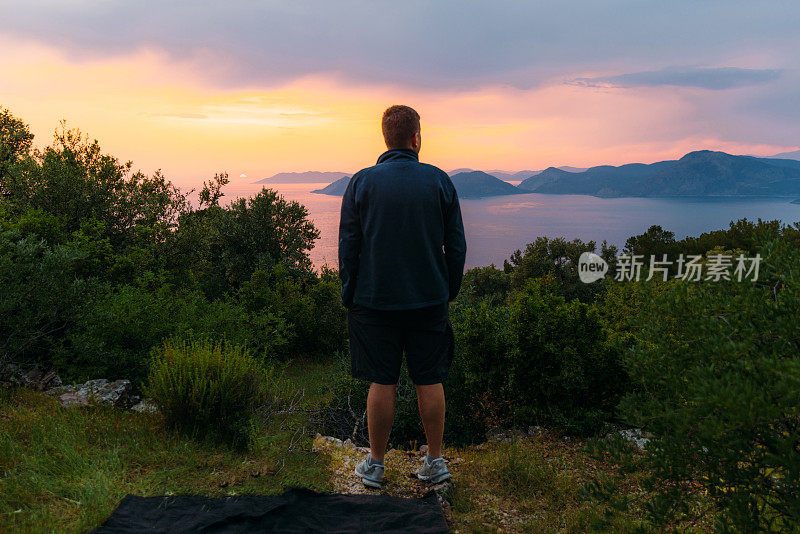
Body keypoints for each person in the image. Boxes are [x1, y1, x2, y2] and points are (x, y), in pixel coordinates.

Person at [338, 104, 467, 489]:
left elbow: (348, 246)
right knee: (429, 379)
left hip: (375, 302)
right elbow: (456, 246)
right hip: (429, 299)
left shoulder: (361, 183)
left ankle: (375, 466)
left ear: (385, 138)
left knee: (382, 380)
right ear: (416, 138)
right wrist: (448, 292)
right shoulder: (439, 181)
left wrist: (350, 294)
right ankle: (435, 462)